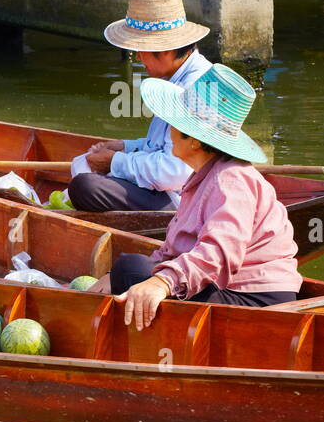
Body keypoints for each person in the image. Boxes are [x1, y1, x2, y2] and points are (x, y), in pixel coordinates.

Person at [101, 63, 301, 330]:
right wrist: (115, 275)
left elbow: (219, 252)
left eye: (174, 123)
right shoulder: (205, 174)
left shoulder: (230, 178)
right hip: (229, 285)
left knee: (132, 271)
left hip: (253, 298)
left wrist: (163, 281)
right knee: (130, 267)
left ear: (193, 140)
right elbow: (175, 248)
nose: (168, 131)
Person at [69, 0, 213, 212]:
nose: (138, 57)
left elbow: (173, 172)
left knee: (86, 187)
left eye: (141, 49)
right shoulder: (175, 79)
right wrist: (124, 147)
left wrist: (114, 162)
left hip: (186, 200)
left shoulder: (192, 89)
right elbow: (160, 146)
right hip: (173, 187)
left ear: (164, 50)